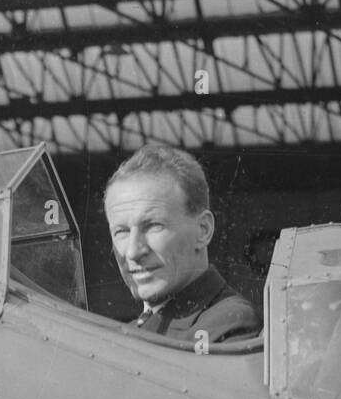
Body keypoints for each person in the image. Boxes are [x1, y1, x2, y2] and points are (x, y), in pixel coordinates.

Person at [103, 144, 261, 347]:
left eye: (153, 226)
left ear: (203, 230)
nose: (133, 251)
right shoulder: (137, 329)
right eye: (121, 231)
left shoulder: (227, 323)